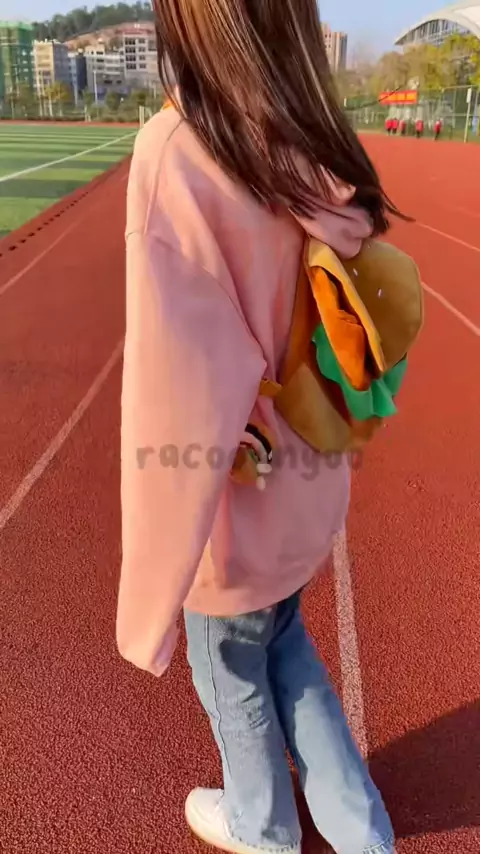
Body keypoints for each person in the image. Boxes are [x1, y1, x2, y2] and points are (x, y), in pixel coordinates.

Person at [117, 1, 402, 853]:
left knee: (230, 668)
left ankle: (263, 826)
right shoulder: (310, 143)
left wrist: (149, 592)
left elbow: (178, 389)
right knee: (285, 643)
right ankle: (363, 832)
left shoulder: (179, 150)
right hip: (308, 474)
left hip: (237, 499)